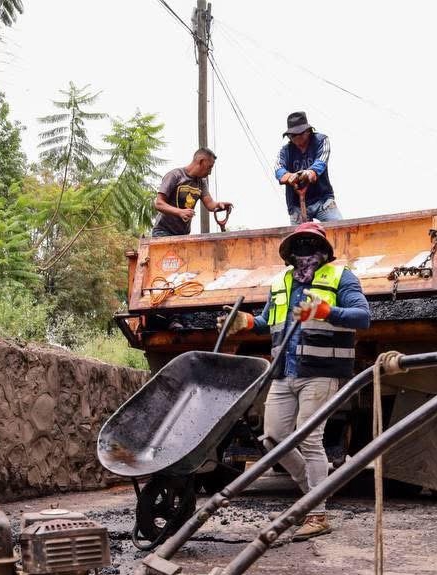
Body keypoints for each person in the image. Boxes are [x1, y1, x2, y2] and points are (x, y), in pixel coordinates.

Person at [223, 222, 370, 539]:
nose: (304, 252)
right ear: (289, 254)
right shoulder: (281, 282)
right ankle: (313, 495)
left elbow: (362, 317)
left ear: (324, 252)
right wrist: (247, 321)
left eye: (310, 245)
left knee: (308, 438)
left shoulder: (339, 278)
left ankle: (316, 513)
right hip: (283, 372)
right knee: (273, 439)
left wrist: (327, 310)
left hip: (322, 371)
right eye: (298, 247)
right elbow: (268, 321)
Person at [274, 111, 341, 225]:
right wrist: (290, 177)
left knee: (339, 229)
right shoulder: (285, 151)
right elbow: (278, 170)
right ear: (289, 136)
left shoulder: (321, 141)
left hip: (323, 201)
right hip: (297, 206)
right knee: (298, 240)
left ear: (309, 131)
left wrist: (309, 173)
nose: (298, 138)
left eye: (301, 134)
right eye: (294, 135)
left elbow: (321, 162)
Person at [151, 147, 234, 237]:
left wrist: (219, 205)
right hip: (163, 232)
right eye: (209, 167)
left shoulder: (201, 182)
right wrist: (180, 212)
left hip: (183, 234)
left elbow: (210, 205)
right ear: (201, 162)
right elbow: (158, 203)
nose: (210, 172)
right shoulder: (175, 175)